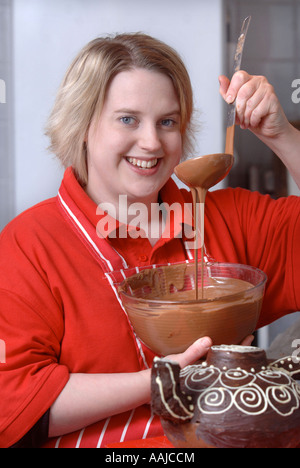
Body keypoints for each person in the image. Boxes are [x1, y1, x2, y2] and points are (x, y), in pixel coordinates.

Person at [0, 33, 299, 449]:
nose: (152, 142)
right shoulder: (29, 245)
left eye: (167, 122)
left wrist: (283, 135)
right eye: (127, 119)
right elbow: (13, 402)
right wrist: (161, 379)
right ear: (83, 125)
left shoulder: (229, 217)